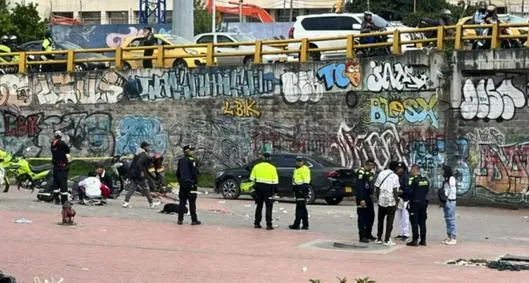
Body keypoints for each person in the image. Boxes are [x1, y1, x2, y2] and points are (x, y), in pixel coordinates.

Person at [122, 142, 158, 208]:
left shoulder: (137, 153)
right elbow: (140, 163)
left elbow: (135, 163)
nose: (148, 148)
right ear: (144, 147)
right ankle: (151, 203)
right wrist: (141, 171)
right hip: (139, 175)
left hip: (135, 174)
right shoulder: (143, 154)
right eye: (147, 146)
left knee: (132, 188)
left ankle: (126, 202)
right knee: (146, 188)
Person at [374, 161, 402, 246]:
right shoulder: (395, 176)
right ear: (396, 168)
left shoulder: (381, 173)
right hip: (391, 201)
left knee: (380, 220)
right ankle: (387, 239)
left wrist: (379, 197)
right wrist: (397, 201)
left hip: (382, 200)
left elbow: (377, 187)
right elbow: (395, 191)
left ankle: (379, 238)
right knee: (390, 221)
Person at [250, 152, 279, 230]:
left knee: (259, 206)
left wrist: (254, 188)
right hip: (269, 189)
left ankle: (257, 223)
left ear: (262, 158)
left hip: (258, 188)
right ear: (269, 158)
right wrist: (275, 191)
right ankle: (269, 225)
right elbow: (275, 182)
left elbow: (252, 179)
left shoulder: (256, 166)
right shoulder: (273, 168)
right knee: (268, 206)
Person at [403, 165, 430, 247]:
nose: (410, 171)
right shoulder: (425, 180)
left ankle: (415, 240)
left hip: (414, 204)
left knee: (414, 222)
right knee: (422, 222)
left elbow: (409, 191)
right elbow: (426, 191)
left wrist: (403, 193)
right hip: (423, 203)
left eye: (411, 169)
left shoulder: (412, 180)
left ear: (415, 170)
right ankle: (423, 240)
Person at [176, 145, 201, 225]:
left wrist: (180, 182)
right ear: (188, 151)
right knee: (192, 202)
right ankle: (194, 220)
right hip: (191, 184)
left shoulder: (180, 160)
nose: (193, 152)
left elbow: (178, 173)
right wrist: (195, 182)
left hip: (183, 183)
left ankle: (180, 219)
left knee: (182, 201)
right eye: (191, 150)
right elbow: (194, 173)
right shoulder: (192, 160)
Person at [356, 158, 376, 243]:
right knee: (362, 217)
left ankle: (368, 233)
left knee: (371, 215)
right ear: (368, 164)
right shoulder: (361, 172)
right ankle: (362, 236)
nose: (372, 167)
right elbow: (359, 186)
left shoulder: (370, 172)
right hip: (362, 197)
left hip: (368, 197)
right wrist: (361, 199)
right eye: (371, 165)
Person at [289, 156, 311, 230]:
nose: (299, 162)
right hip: (298, 189)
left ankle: (297, 224)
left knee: (299, 208)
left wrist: (302, 190)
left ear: (303, 161)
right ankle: (305, 225)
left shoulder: (304, 169)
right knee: (303, 208)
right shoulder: (297, 169)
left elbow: (306, 181)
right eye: (298, 161)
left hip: (301, 190)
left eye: (300, 161)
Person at [51, 131, 71, 205]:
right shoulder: (62, 144)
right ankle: (64, 200)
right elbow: (68, 151)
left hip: (55, 167)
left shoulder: (52, 144)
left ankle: (56, 199)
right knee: (63, 184)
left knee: (56, 183)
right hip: (62, 167)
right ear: (61, 136)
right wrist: (68, 162)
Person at [441, 165, 457, 245]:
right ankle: (449, 236)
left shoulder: (451, 179)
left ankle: (453, 237)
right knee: (447, 219)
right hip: (446, 200)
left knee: (451, 219)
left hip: (450, 200)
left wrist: (447, 198)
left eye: (443, 171)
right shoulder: (446, 179)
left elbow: (452, 190)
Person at [395, 164, 410, 241]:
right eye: (397, 168)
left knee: (405, 217)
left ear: (403, 169)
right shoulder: (398, 176)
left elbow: (408, 189)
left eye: (400, 168)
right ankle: (401, 233)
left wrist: (402, 191)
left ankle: (406, 234)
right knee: (400, 218)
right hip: (400, 199)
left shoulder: (406, 177)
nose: (398, 170)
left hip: (405, 199)